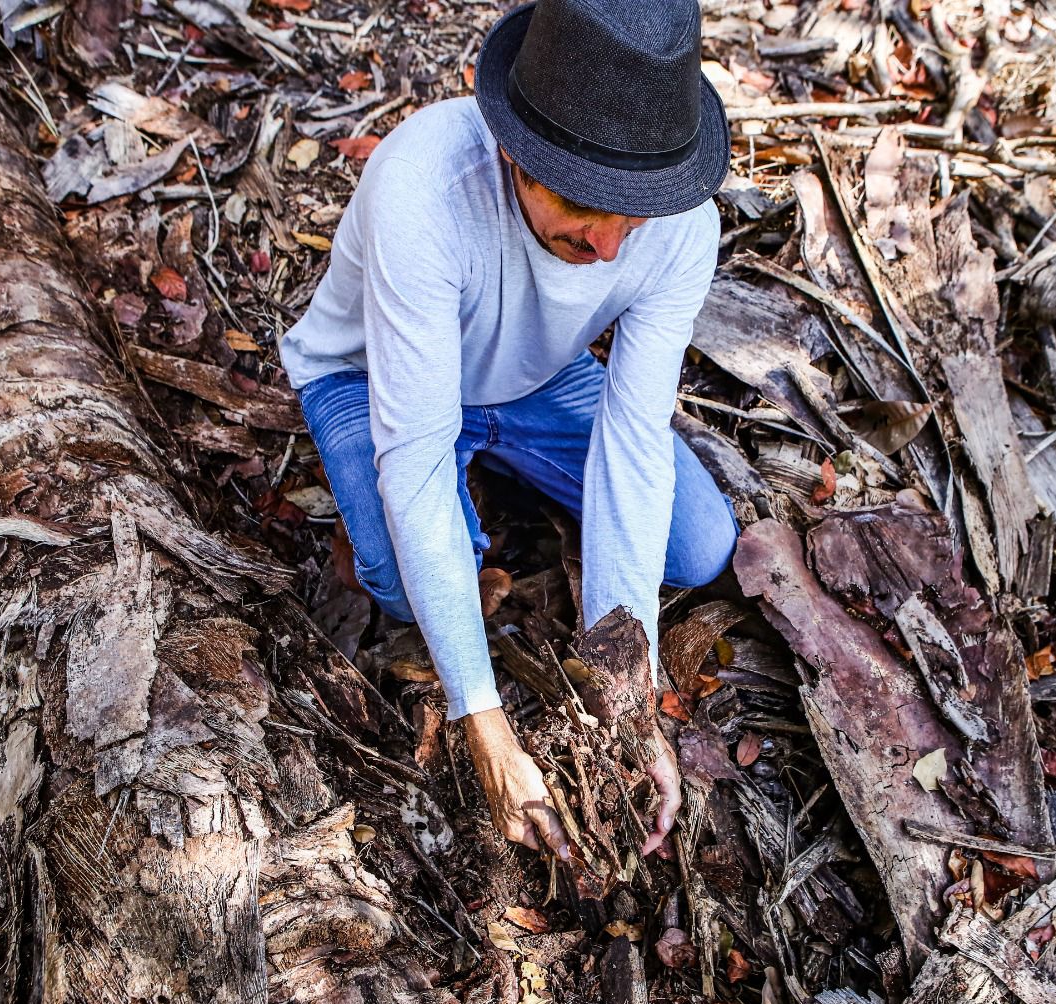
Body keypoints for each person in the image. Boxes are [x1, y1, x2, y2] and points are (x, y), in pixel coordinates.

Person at [279, 0, 735, 861]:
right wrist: (482, 720)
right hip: (369, 375)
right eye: (581, 208)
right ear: (511, 152)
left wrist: (624, 697)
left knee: (702, 548)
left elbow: (635, 443)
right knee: (399, 580)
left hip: (536, 377)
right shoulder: (425, 188)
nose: (608, 250)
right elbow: (413, 460)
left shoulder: (681, 226)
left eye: (630, 214)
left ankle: (485, 491)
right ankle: (414, 535)